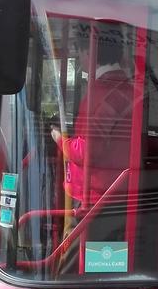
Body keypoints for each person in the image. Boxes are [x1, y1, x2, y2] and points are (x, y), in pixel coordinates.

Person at [50, 28, 135, 215]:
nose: (80, 59)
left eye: (79, 52)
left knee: (96, 245)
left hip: (96, 197)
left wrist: (59, 138)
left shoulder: (101, 93)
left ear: (89, 52)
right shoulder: (125, 87)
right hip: (116, 191)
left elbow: (88, 151)